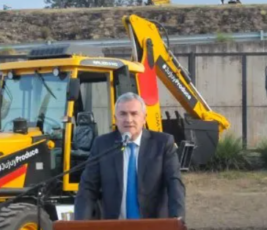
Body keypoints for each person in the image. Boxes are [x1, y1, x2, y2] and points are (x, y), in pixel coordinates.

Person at [73, 93, 185, 221]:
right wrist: (81, 225)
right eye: (123, 114)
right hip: (114, 229)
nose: (128, 119)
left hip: (154, 228)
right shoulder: (102, 145)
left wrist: (177, 221)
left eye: (134, 113)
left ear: (144, 118)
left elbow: (174, 183)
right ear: (115, 118)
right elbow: (87, 188)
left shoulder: (163, 143)